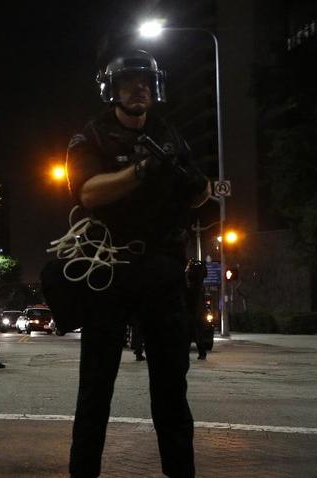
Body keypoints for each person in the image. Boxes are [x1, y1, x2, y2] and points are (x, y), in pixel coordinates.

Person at [63, 50, 210, 478]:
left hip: (162, 267)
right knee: (96, 386)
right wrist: (140, 171)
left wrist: (194, 184)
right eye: (130, 81)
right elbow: (88, 192)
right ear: (112, 89)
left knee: (172, 386)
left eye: (145, 81)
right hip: (110, 267)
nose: (139, 88)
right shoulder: (92, 135)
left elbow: (198, 193)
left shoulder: (169, 132)